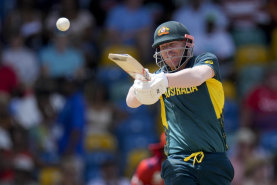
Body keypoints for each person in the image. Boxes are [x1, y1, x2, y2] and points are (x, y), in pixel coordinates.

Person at [126, 21, 234, 185]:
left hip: (214, 159)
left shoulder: (205, 60)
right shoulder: (159, 76)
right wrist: (140, 85)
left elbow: (196, 77)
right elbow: (131, 102)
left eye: (172, 44)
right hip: (178, 161)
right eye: (162, 47)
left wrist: (161, 80)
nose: (168, 52)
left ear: (187, 44)